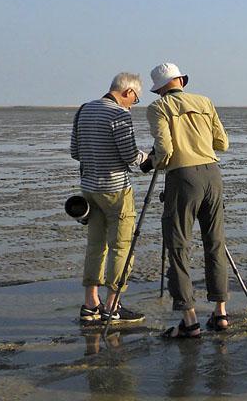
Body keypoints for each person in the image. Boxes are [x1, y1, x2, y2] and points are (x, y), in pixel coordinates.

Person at [145, 63, 231, 338]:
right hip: (212, 173)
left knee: (179, 246)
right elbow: (223, 143)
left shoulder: (157, 108)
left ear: (159, 89)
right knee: (215, 243)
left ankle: (189, 319)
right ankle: (221, 313)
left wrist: (153, 162)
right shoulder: (205, 101)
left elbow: (166, 149)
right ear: (181, 80)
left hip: (182, 176)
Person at [70, 72, 148, 324]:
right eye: (135, 100)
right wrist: (148, 158)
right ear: (128, 92)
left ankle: (90, 303)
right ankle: (113, 305)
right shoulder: (119, 114)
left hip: (89, 188)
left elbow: (75, 151)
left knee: (95, 245)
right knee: (121, 247)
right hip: (116, 189)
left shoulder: (84, 110)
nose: (133, 105)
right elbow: (129, 156)